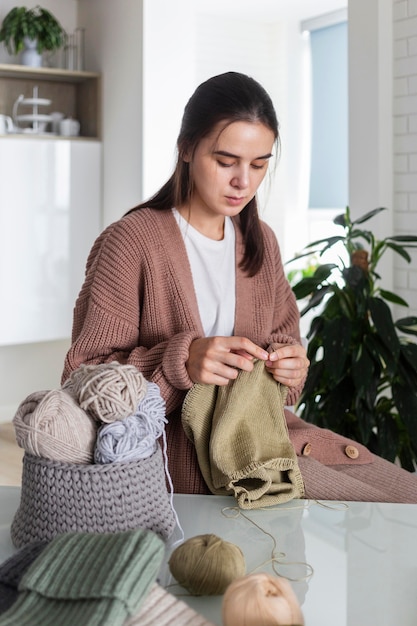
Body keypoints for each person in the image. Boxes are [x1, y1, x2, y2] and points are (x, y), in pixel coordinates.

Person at [62, 71, 417, 502]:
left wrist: (290, 368)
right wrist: (182, 363)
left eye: (259, 164)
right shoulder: (131, 241)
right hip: (181, 465)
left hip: (263, 441)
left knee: (403, 496)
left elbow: (286, 351)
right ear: (187, 148)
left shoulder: (260, 241)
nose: (243, 182)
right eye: (226, 161)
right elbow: (82, 381)